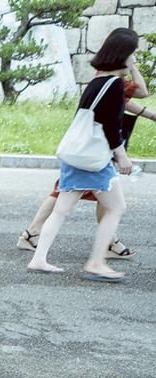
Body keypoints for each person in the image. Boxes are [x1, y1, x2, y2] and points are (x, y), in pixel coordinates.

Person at [27, 29, 138, 283]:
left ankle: (39, 258)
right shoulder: (114, 85)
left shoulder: (97, 82)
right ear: (123, 55)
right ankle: (96, 262)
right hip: (94, 159)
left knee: (62, 209)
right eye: (133, 53)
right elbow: (111, 126)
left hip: (75, 154)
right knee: (116, 207)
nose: (135, 58)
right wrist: (122, 157)